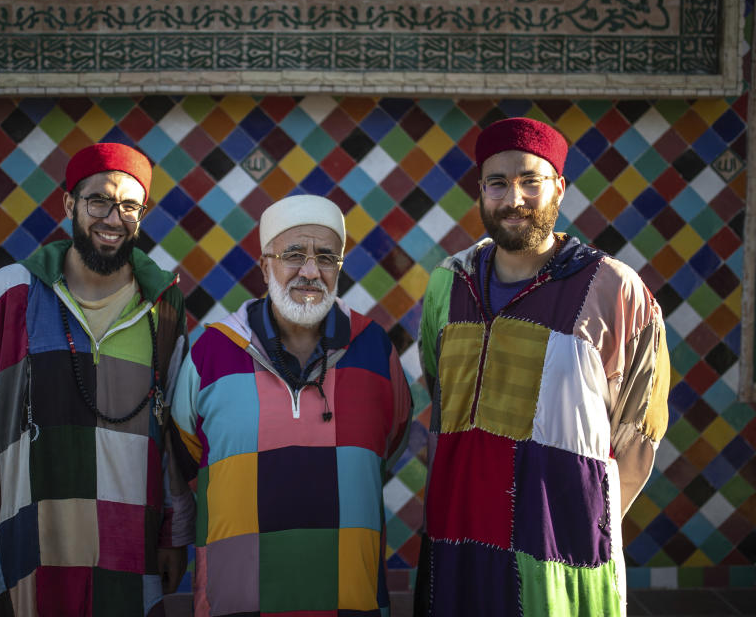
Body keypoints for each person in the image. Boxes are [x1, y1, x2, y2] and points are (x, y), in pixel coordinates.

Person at [414, 117, 671, 617]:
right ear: (481, 192)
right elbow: (441, 398)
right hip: (458, 535)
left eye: (531, 181)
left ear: (559, 187)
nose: (514, 199)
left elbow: (639, 432)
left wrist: (585, 525)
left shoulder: (613, 289)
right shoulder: (448, 284)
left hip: (557, 555)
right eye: (498, 183)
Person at [0, 143, 194, 616]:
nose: (113, 218)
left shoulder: (164, 307)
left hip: (129, 543)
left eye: (130, 206)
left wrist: (175, 536)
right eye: (99, 200)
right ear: (69, 205)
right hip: (30, 542)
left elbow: (174, 437)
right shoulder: (12, 291)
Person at [169, 194, 412, 616]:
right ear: (265, 265)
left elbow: (388, 441)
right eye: (294, 254)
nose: (310, 271)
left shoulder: (374, 348)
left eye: (326, 257)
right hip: (237, 601)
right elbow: (184, 455)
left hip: (349, 601)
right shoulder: (212, 352)